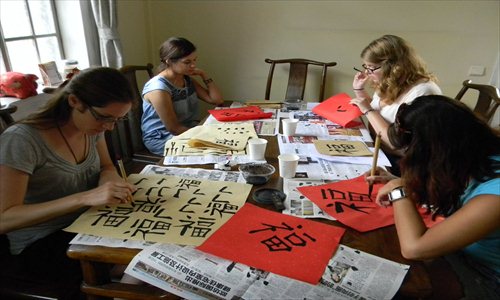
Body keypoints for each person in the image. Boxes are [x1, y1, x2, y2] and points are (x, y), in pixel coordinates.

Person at [0, 67, 136, 299]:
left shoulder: (92, 128)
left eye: (117, 120)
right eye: (105, 117)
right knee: (141, 263)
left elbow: (107, 167)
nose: (110, 127)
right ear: (74, 101)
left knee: (158, 251)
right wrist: (84, 197)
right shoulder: (22, 140)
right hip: (42, 242)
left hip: (87, 222)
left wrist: (112, 184)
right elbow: (5, 218)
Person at [366, 95, 500, 299]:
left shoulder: (495, 196)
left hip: (487, 277)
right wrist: (396, 179)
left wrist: (398, 189)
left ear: (438, 152)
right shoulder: (475, 156)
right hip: (464, 253)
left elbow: (414, 248)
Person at [350, 34, 441, 151]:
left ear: (394, 67)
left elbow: (396, 143)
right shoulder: (391, 81)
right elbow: (377, 111)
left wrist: (368, 110)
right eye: (366, 67)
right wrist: (359, 90)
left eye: (371, 68)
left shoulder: (423, 92)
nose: (367, 72)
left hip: (399, 159)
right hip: (379, 146)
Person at [141, 37, 224, 155]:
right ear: (169, 61)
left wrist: (204, 75)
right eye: (187, 62)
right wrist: (209, 136)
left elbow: (216, 100)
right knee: (218, 150)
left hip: (187, 130)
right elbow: (174, 129)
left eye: (194, 60)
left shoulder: (185, 78)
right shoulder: (158, 88)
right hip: (162, 138)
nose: (193, 66)